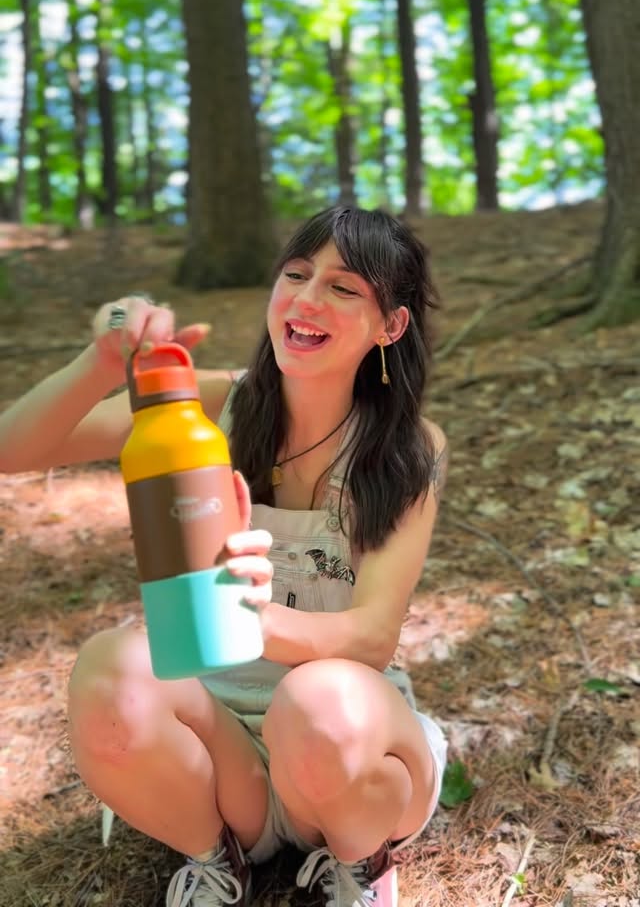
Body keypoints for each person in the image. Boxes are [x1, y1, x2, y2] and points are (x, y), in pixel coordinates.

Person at [0, 206, 449, 907]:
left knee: (317, 697)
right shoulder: (215, 408)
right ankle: (220, 859)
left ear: (390, 326)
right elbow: (14, 450)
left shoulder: (406, 449)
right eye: (296, 275)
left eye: (343, 287)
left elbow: (372, 636)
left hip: (348, 752)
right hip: (222, 760)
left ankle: (361, 868)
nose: (305, 299)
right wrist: (103, 364)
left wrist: (255, 616)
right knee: (111, 666)